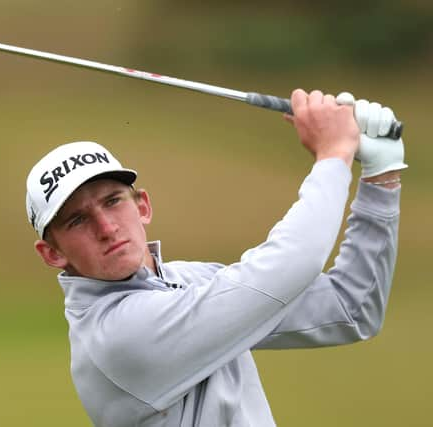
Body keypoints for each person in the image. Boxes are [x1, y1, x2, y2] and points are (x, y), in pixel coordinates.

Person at [24, 89, 407, 427]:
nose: (106, 227)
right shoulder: (118, 336)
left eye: (113, 201)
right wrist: (334, 155)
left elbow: (349, 308)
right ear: (52, 253)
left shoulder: (187, 281)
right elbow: (290, 265)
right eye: (78, 220)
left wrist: (381, 175)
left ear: (143, 206)